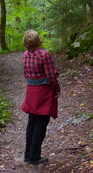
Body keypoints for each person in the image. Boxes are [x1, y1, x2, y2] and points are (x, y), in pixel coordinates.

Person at [21, 29, 60, 165]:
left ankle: (28, 155)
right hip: (43, 92)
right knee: (41, 123)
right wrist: (57, 89)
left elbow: (26, 74)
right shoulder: (44, 54)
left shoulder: (26, 54)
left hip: (31, 91)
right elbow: (50, 76)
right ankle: (34, 157)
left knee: (32, 122)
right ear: (38, 40)